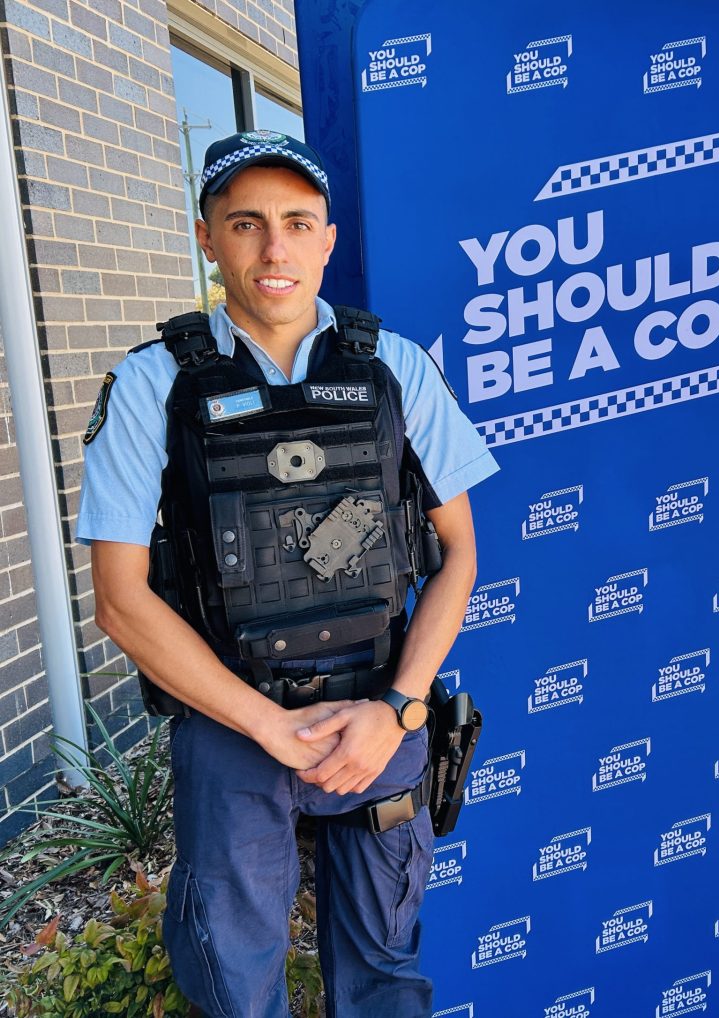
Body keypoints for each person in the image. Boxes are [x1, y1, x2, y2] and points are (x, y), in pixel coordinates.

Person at [76, 129, 498, 1018]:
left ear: (329, 239)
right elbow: (120, 601)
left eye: (298, 223)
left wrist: (397, 709)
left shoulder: (396, 367)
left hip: (378, 717)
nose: (275, 249)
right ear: (206, 236)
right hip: (234, 726)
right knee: (235, 987)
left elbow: (460, 553)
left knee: (385, 977)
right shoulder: (157, 384)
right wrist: (267, 726)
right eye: (246, 223)